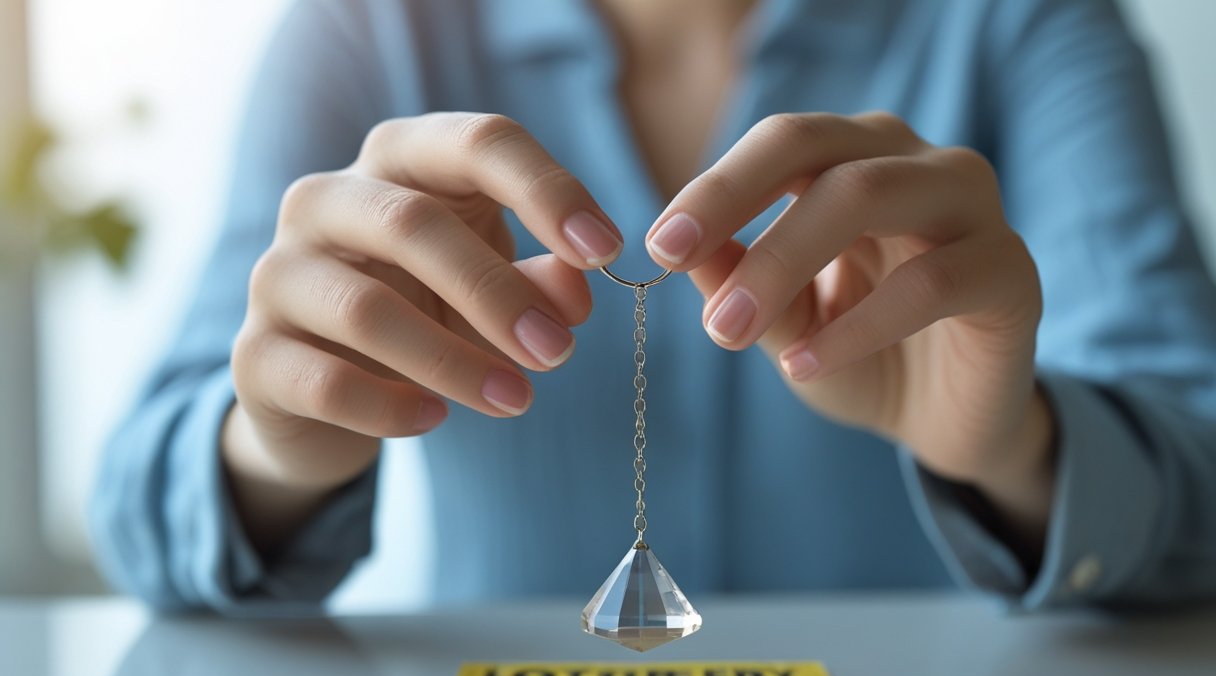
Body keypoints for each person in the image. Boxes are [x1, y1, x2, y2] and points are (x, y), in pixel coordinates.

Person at [91, 0, 1216, 612]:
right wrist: (276, 450)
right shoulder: (372, 32)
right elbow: (138, 505)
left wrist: (1018, 448)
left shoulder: (1024, 25)